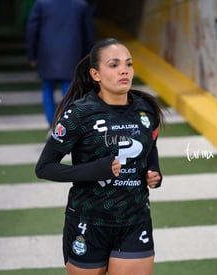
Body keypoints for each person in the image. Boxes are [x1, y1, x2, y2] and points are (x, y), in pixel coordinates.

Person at [35, 38, 165, 275]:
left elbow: (150, 146)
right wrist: (95, 170)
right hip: (88, 224)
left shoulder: (146, 109)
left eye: (128, 64)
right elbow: (44, 167)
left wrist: (153, 172)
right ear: (95, 74)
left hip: (134, 222)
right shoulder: (78, 113)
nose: (124, 70)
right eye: (114, 65)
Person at [26, 0, 95, 128]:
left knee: (47, 89)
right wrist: (87, 57)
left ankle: (52, 125)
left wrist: (32, 54)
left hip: (47, 54)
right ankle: (65, 124)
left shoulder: (42, 3)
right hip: (72, 54)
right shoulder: (80, 4)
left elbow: (32, 30)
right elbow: (89, 34)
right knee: (70, 91)